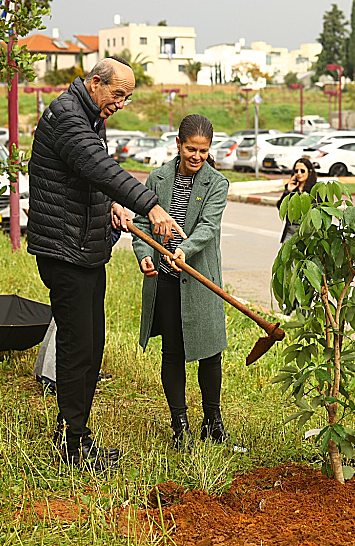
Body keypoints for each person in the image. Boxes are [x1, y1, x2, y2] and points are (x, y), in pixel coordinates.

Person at [27, 57, 185, 471]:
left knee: (91, 347)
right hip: (65, 251)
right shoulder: (67, 117)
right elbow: (101, 168)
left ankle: (75, 436)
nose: (121, 103)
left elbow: (91, 178)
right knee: (78, 349)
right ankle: (73, 446)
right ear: (96, 83)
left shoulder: (89, 115)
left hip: (85, 248)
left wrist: (113, 203)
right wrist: (150, 206)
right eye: (118, 94)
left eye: (127, 98)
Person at [131, 114, 233, 452]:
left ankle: (212, 421)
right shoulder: (157, 179)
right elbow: (143, 224)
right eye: (191, 149)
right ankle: (180, 425)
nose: (197, 157)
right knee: (172, 352)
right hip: (167, 281)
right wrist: (145, 254)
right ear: (178, 144)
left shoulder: (216, 183)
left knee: (209, 351)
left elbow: (208, 228)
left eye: (203, 151)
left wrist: (184, 250)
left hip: (201, 279)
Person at [276, 157, 318, 243]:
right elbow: (281, 208)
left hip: (309, 233)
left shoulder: (316, 190)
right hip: (291, 232)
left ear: (309, 172)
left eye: (302, 171)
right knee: (286, 256)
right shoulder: (291, 188)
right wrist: (288, 191)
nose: (299, 173)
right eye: (296, 171)